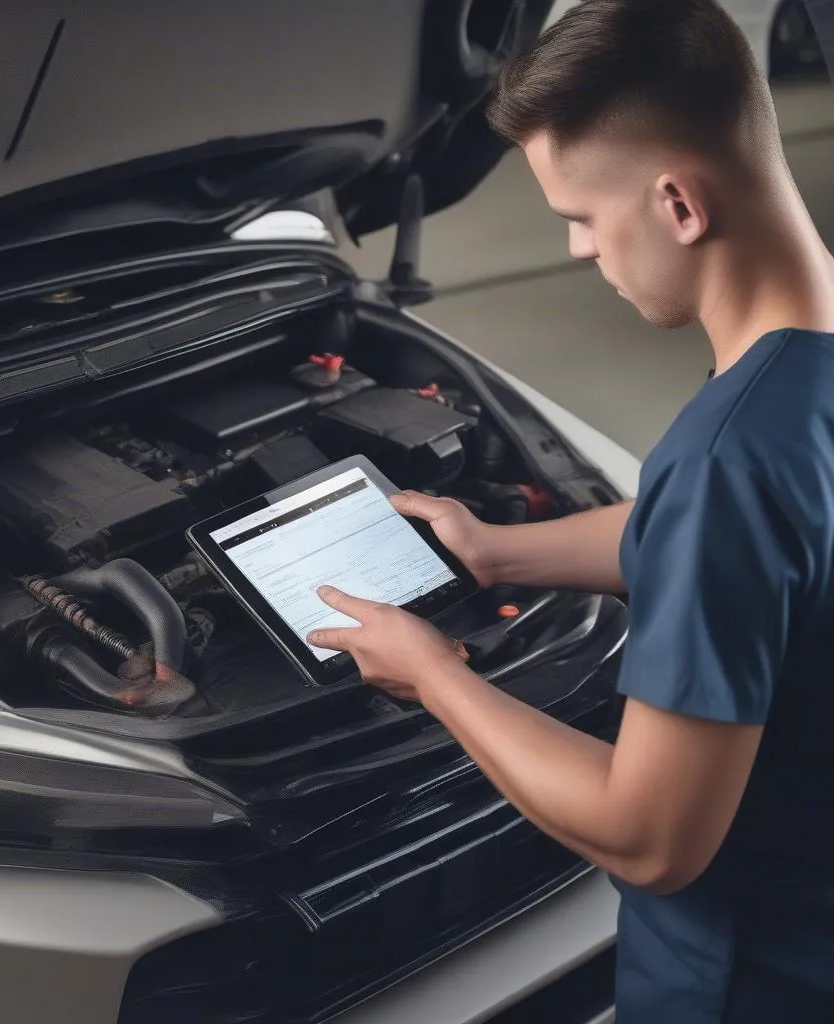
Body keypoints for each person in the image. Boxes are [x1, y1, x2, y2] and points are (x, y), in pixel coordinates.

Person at [305, 1, 834, 1020]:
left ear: (678, 203)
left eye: (583, 217)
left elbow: (651, 839)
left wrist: (435, 675)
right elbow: (766, 554)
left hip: (748, 983)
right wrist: (497, 552)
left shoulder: (727, 460)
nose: (582, 250)